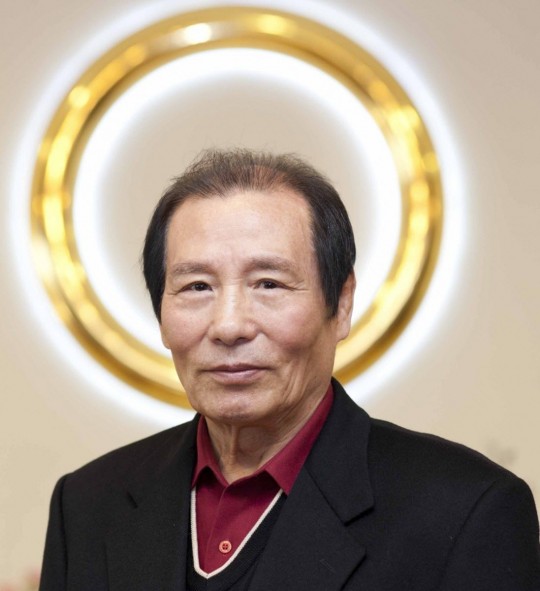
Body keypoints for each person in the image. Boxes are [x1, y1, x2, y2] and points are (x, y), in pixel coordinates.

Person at [40, 149, 540, 590]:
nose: (229, 326)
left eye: (269, 284)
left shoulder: (466, 511)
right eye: (197, 287)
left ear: (341, 304)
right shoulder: (87, 504)